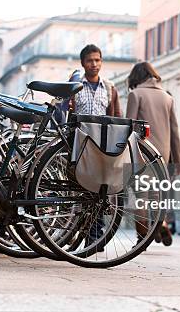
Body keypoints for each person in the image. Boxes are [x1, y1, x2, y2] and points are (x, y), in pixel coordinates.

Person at [125, 62, 180, 246]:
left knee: (140, 196)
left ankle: (142, 239)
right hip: (162, 154)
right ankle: (161, 223)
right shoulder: (167, 97)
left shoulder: (136, 94)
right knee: (155, 195)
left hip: (141, 152)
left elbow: (129, 127)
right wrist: (179, 160)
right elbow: (175, 130)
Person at [70, 44, 122, 250]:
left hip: (102, 147)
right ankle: (81, 233)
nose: (94, 64)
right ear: (83, 63)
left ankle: (95, 236)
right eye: (90, 60)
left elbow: (116, 116)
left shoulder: (109, 88)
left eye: (98, 60)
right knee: (80, 190)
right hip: (80, 145)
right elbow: (66, 113)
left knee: (100, 192)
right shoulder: (75, 85)